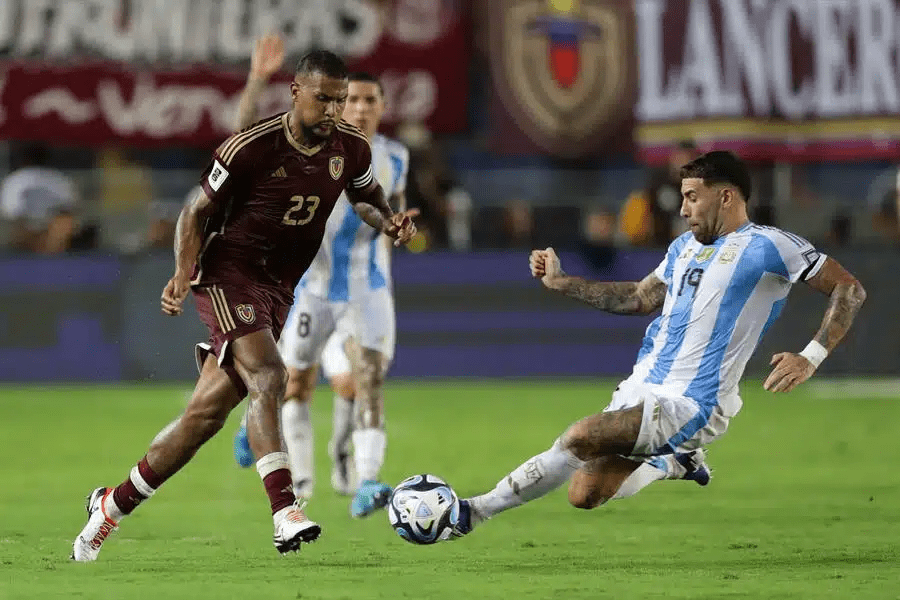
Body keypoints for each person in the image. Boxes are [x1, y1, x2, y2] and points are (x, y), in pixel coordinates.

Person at [71, 49, 417, 561]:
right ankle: (285, 511)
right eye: (323, 98)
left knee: (203, 418)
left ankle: (110, 506)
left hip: (279, 288)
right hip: (228, 274)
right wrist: (183, 270)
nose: (333, 110)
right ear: (295, 92)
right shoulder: (252, 146)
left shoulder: (351, 148)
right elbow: (194, 211)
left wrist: (388, 221)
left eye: (339, 100)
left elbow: (365, 197)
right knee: (272, 376)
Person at [451, 151, 866, 537]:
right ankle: (673, 462)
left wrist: (810, 357)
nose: (683, 209)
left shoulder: (770, 245)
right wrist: (563, 283)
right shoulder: (683, 247)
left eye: (692, 197)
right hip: (643, 384)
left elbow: (848, 288)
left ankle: (471, 512)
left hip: (695, 401)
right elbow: (638, 297)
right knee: (585, 493)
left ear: (725, 197)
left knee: (580, 436)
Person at [229, 35, 411, 518]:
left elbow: (375, 206)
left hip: (367, 287)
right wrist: (257, 79)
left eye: (371, 101)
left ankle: (366, 480)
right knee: (291, 385)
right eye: (354, 100)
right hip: (310, 286)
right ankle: (282, 457)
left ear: (382, 107)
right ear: (339, 102)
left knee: (366, 378)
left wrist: (395, 223)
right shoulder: (309, 146)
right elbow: (242, 136)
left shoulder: (395, 158)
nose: (361, 108)